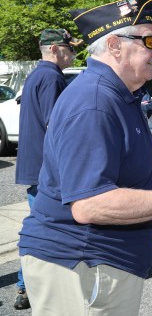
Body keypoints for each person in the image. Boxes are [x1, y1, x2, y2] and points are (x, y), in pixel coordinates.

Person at [18, 0, 152, 315]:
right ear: (115, 46)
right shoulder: (94, 103)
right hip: (82, 263)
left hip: (99, 262)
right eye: (150, 42)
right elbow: (89, 205)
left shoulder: (119, 95)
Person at [13, 29, 82, 310]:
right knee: (46, 229)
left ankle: (24, 286)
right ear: (55, 49)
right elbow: (57, 126)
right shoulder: (52, 77)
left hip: (36, 166)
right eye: (70, 48)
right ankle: (27, 285)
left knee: (40, 226)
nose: (74, 54)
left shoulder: (37, 75)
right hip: (47, 170)